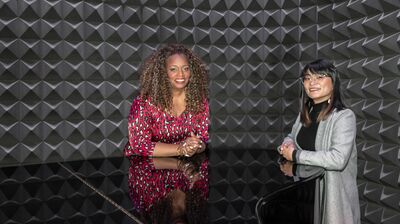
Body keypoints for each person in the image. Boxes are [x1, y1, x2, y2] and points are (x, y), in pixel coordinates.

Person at [278, 59, 360, 224]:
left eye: (319, 77)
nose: (312, 82)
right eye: (307, 78)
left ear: (333, 81)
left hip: (332, 202)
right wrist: (287, 144)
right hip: (306, 196)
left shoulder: (344, 116)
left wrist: (296, 155)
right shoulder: (305, 113)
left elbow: (337, 159)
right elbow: (292, 136)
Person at [125, 44, 209, 157]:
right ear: (163, 72)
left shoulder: (199, 101)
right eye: (173, 69)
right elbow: (140, 145)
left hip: (184, 168)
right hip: (147, 167)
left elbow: (202, 139)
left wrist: (194, 146)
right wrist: (180, 149)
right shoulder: (144, 103)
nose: (181, 74)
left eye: (186, 68)